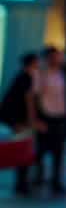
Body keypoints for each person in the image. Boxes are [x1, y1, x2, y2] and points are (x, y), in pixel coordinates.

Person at [0, 53, 42, 195]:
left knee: (23, 150)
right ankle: (22, 184)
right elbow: (28, 101)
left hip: (16, 119)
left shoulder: (21, 76)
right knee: (23, 150)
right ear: (32, 63)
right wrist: (32, 121)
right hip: (19, 121)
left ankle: (23, 183)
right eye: (37, 62)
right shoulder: (26, 78)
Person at [33, 47, 66, 194]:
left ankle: (56, 181)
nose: (57, 60)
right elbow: (34, 97)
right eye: (54, 57)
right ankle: (38, 178)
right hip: (46, 115)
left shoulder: (62, 73)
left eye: (58, 57)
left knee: (59, 151)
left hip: (59, 116)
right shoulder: (40, 74)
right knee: (41, 150)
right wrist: (36, 119)